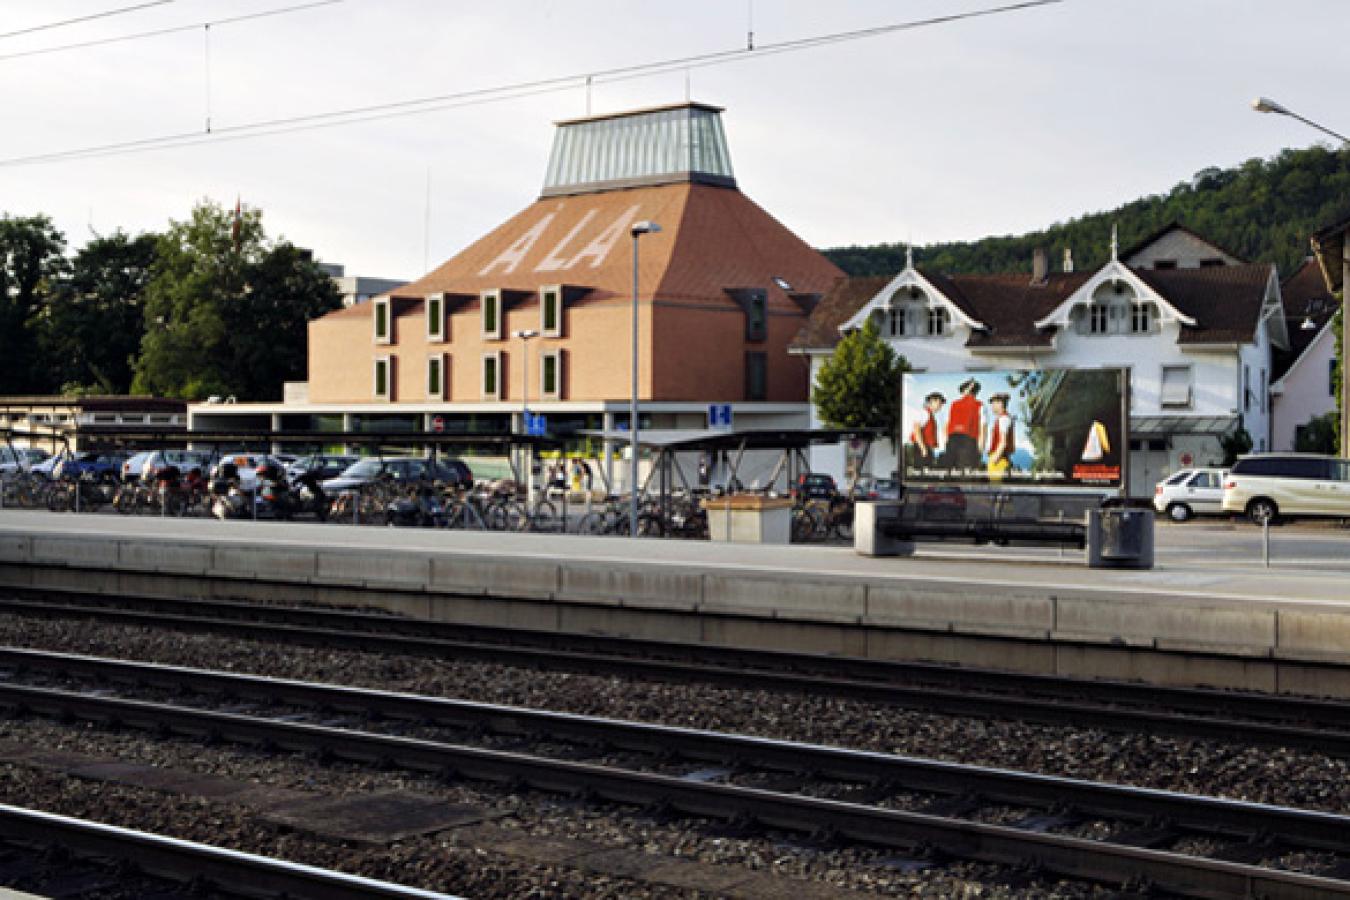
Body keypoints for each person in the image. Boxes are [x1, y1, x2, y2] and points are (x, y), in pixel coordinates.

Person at [944, 378, 984, 473]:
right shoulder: (980, 405)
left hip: (953, 440)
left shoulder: (953, 404)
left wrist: (947, 443)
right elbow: (983, 429)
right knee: (967, 473)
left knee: (951, 472)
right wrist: (980, 449)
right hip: (968, 440)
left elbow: (946, 426)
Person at [908, 392, 946, 471]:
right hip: (922, 448)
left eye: (941, 405)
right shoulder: (923, 413)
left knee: (928, 472)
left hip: (927, 448)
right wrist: (923, 448)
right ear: (932, 401)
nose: (940, 406)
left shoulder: (930, 415)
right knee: (922, 472)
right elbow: (916, 430)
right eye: (939, 404)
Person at [985, 393, 1015, 480]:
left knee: (997, 488)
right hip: (1000, 458)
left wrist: (994, 459)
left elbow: (1003, 442)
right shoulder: (1003, 418)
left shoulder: (1003, 419)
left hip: (999, 460)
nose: (992, 406)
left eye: (994, 403)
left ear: (1000, 403)